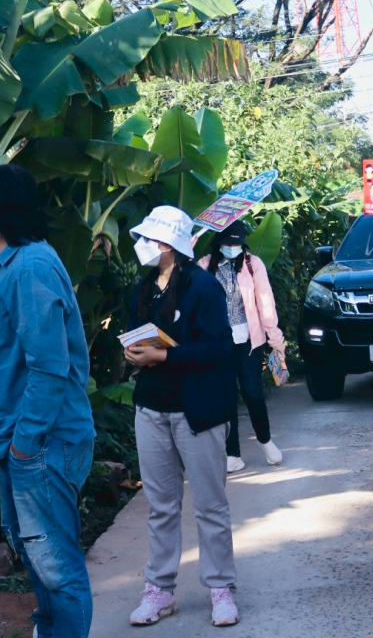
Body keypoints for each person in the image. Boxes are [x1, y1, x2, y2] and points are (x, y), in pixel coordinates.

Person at [0, 164, 96, 638]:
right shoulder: (24, 264)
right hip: (28, 443)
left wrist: (25, 444)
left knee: (57, 567)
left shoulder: (29, 268)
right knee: (39, 560)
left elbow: (49, 367)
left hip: (42, 443)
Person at [124, 206, 240, 628]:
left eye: (150, 239)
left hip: (198, 410)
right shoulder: (142, 289)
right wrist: (136, 353)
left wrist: (166, 356)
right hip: (151, 407)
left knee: (210, 504)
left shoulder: (204, 288)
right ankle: (159, 590)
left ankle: (221, 588)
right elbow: (136, 335)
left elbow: (220, 349)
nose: (144, 246)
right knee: (160, 507)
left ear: (170, 245)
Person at [197, 221, 285, 473]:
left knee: (253, 393)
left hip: (249, 341)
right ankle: (232, 452)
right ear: (218, 245)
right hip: (218, 343)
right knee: (225, 398)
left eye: (237, 244)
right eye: (228, 244)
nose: (233, 248)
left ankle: (264, 439)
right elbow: (187, 287)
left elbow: (265, 302)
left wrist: (275, 339)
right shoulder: (204, 266)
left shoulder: (252, 264)